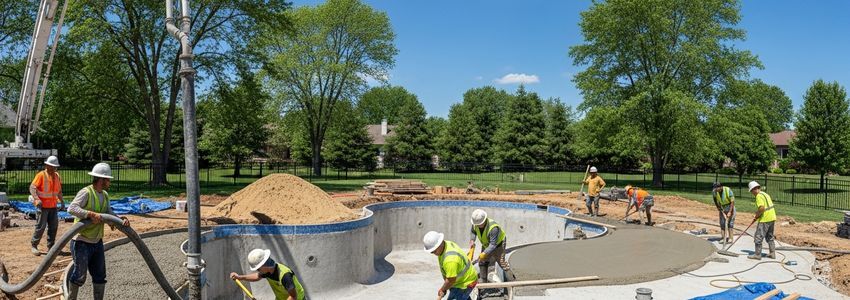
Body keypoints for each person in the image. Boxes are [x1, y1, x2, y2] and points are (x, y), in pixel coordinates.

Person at [64, 163, 129, 300]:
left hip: (97, 241)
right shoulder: (86, 192)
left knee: (100, 276)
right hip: (81, 241)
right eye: (108, 179)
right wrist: (89, 214)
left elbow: (108, 212)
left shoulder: (104, 195)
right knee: (80, 275)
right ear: (102, 179)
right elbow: (72, 208)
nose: (109, 182)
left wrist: (119, 220)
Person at [230, 248, 305, 300]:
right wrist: (240, 277)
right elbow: (257, 276)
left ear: (263, 265)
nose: (257, 270)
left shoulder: (285, 275)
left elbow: (293, 296)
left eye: (258, 268)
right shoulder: (267, 271)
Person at [424, 231, 478, 300]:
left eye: (433, 251)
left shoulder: (450, 260)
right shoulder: (446, 244)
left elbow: (451, 280)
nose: (432, 253)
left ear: (440, 244)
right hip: (458, 281)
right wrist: (446, 287)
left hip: (465, 283)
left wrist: (443, 289)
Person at [468, 209, 515, 282]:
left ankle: (512, 280)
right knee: (482, 261)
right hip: (486, 243)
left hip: (498, 244)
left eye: (479, 224)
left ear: (484, 220)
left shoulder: (493, 228)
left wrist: (484, 253)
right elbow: (473, 232)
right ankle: (483, 281)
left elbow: (493, 245)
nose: (477, 225)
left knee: (502, 263)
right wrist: (472, 240)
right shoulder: (476, 223)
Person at [30, 155, 64, 255]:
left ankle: (51, 247)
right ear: (47, 165)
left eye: (55, 166)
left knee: (53, 227)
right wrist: (36, 199)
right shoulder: (41, 175)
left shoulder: (57, 176)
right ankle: (34, 245)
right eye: (52, 166)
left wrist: (62, 202)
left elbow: (59, 191)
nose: (54, 168)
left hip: (53, 206)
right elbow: (32, 187)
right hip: (42, 206)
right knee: (40, 227)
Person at [747, 181, 776, 260]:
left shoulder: (759, 196)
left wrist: (756, 216)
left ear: (754, 189)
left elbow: (762, 208)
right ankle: (772, 253)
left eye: (751, 191)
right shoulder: (765, 194)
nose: (752, 193)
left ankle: (757, 254)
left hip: (765, 219)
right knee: (770, 236)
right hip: (772, 217)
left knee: (758, 237)